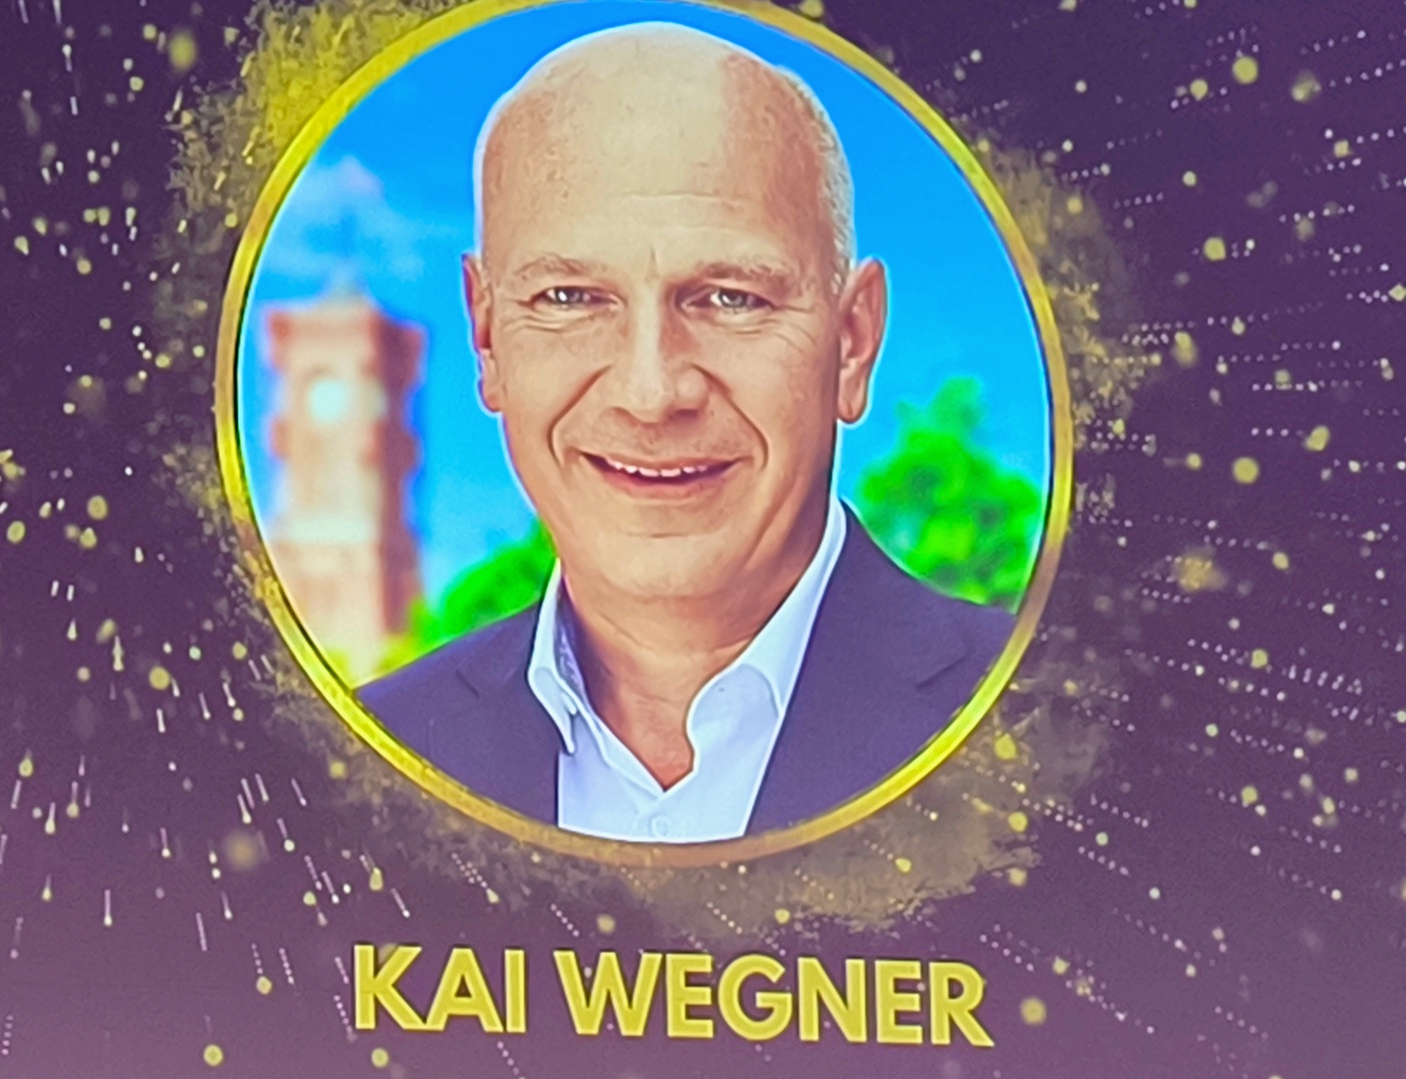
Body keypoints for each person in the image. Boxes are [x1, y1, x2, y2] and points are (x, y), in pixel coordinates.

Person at [358, 19, 1012, 846]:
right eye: (570, 298)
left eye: (731, 298)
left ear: (852, 344)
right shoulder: (360, 764)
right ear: (486, 339)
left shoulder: (1046, 727)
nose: (651, 392)